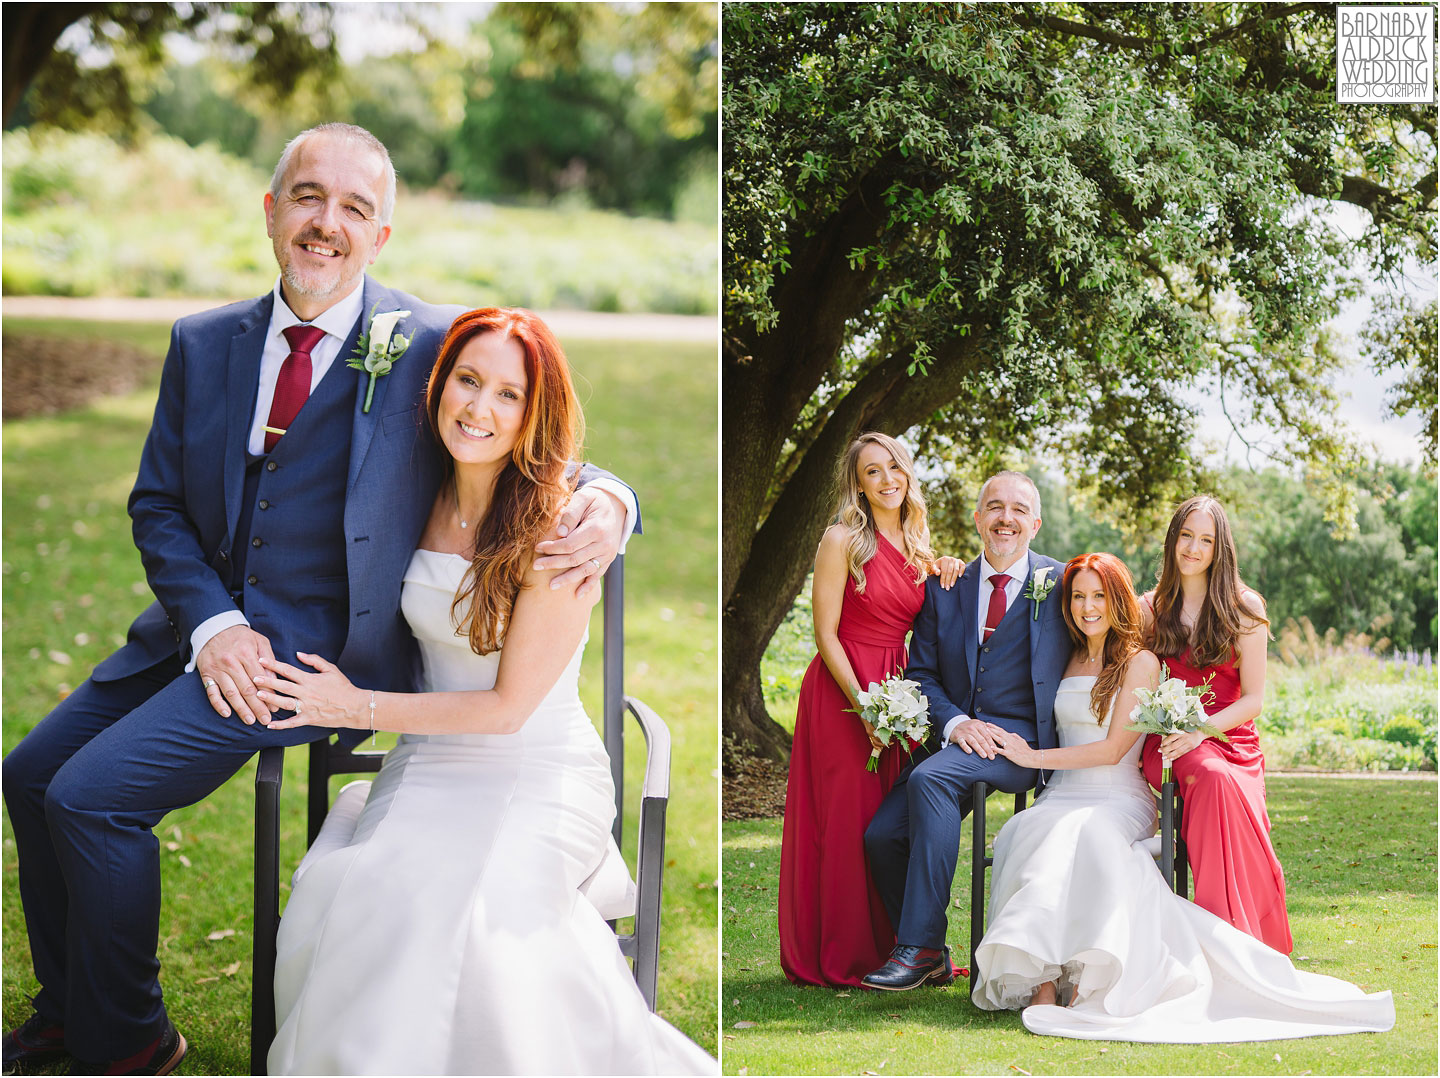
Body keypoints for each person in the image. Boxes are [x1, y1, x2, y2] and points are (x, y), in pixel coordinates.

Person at [1, 124, 633, 1076]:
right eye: (307, 197)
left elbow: (532, 440)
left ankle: (127, 1038)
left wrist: (616, 502)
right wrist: (210, 623)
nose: (326, 224)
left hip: (313, 662)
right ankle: (66, 1008)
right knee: (29, 776)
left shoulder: (428, 344)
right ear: (271, 210)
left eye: (354, 208)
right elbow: (159, 505)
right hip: (196, 635)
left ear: (381, 234)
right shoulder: (203, 342)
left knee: (93, 800)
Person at [255, 307, 713, 1075]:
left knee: (484, 906)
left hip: (535, 771)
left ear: (536, 413)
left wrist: (353, 707)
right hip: (428, 765)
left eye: (509, 395)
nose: (479, 408)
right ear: (438, 385)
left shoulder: (560, 527)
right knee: (376, 890)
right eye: (468, 381)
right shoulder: (407, 492)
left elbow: (505, 713)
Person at [977, 553, 1394, 1041]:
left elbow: (1114, 750)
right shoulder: (1060, 657)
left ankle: (1092, 974)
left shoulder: (1140, 661)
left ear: (1119, 602)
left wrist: (1032, 759)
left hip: (1116, 793)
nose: (1089, 607)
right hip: (1061, 794)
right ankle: (1045, 977)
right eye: (1078, 596)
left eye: (1100, 596)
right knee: (1024, 830)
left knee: (1083, 833)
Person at [861, 471, 1070, 991]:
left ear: (1035, 524)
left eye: (1018, 509)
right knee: (881, 837)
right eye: (994, 507)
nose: (1006, 518)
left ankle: (920, 945)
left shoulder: (1063, 584)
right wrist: (954, 722)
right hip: (955, 736)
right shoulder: (945, 585)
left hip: (1020, 743)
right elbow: (922, 673)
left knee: (929, 781)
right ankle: (933, 957)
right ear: (978, 519)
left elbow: (1113, 630)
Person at [778, 432, 958, 987]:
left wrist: (947, 564)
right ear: (858, 482)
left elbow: (933, 604)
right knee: (843, 818)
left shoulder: (918, 543)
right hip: (844, 690)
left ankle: (900, 949)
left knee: (883, 825)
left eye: (894, 468)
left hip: (898, 693)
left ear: (908, 474)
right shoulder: (841, 539)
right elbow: (825, 633)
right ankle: (841, 952)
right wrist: (864, 707)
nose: (887, 480)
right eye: (873, 472)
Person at [1138, 494, 1292, 953]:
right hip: (1169, 741)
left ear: (1219, 548)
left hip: (1230, 739)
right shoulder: (1150, 606)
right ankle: (1222, 933)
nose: (1193, 548)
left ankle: (1239, 938)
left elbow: (1253, 700)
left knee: (1222, 779)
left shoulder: (1244, 607)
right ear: (1173, 539)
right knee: (1208, 774)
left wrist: (1202, 729)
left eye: (1205, 540)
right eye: (1186, 536)